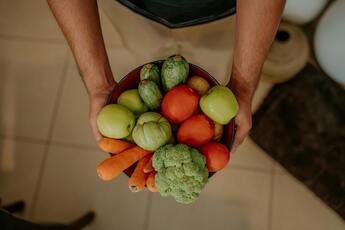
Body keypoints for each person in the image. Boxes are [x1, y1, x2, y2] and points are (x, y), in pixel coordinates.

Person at [47, 0, 285, 152]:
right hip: (133, 7)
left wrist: (242, 86)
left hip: (222, 13)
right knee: (145, 55)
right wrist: (97, 82)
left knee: (212, 62)